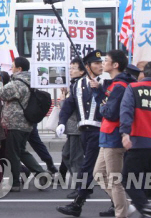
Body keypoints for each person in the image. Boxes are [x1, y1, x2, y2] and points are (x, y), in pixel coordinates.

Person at [56, 50, 105, 217]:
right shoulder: (77, 85)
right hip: (84, 131)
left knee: (87, 167)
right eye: (96, 63)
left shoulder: (106, 82)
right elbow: (69, 105)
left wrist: (100, 89)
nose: (100, 66)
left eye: (101, 63)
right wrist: (61, 122)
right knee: (100, 170)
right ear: (88, 66)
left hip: (100, 130)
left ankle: (78, 202)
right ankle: (117, 203)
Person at [120, 61, 151, 214]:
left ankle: (146, 210)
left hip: (139, 142)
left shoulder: (133, 88)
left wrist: (125, 133)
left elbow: (126, 111)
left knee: (129, 180)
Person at [93, 50, 137, 218]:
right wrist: (99, 93)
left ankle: (121, 213)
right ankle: (125, 206)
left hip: (113, 137)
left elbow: (110, 112)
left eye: (106, 61)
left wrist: (102, 101)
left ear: (115, 65)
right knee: (98, 174)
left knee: (114, 180)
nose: (103, 63)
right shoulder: (114, 84)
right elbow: (104, 108)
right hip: (106, 136)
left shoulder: (120, 86)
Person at [0, 56, 44, 192]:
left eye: (12, 67)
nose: (11, 69)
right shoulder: (32, 81)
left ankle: (15, 183)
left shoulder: (18, 83)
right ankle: (42, 174)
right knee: (22, 151)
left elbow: (2, 93)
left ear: (19, 69)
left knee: (12, 153)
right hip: (26, 123)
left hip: (15, 123)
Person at [59, 60, 85, 199]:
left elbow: (71, 107)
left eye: (73, 68)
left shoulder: (80, 85)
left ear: (82, 71)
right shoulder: (74, 85)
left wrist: (64, 98)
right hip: (72, 128)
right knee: (66, 155)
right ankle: (81, 184)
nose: (70, 71)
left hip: (76, 128)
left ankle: (80, 188)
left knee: (75, 158)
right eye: (70, 68)